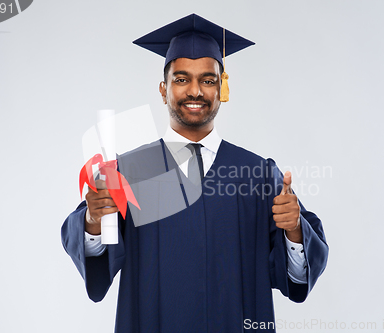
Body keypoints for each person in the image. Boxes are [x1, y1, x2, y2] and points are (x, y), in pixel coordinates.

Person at [62, 13, 328, 333]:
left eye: (208, 79)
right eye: (181, 78)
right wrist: (93, 221)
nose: (195, 91)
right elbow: (98, 266)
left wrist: (294, 231)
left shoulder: (257, 174)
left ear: (221, 88)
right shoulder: (131, 172)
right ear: (163, 90)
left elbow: (294, 279)